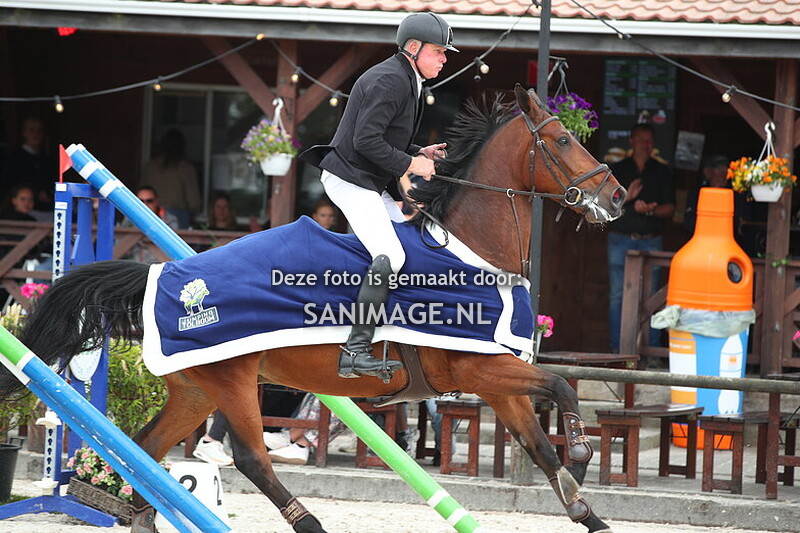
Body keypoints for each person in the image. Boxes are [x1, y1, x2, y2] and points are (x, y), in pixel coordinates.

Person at [299, 12, 456, 379]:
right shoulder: (390, 79)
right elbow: (366, 141)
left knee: (408, 242)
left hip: (367, 180)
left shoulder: (406, 78)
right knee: (392, 255)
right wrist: (412, 164)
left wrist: (419, 151)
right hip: (350, 179)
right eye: (438, 51)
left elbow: (385, 138)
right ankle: (354, 351)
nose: (444, 59)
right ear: (413, 47)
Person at [607, 123, 675, 354]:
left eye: (648, 141)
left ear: (653, 144)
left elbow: (670, 209)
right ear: (631, 141)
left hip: (650, 240)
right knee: (618, 295)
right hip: (620, 239)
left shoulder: (662, 171)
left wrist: (650, 211)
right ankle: (617, 350)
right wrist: (627, 198)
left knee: (651, 296)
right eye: (640, 140)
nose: (644, 145)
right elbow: (605, 206)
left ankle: (650, 351)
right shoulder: (617, 169)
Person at [140, 129, 201, 228]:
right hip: (178, 215)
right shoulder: (185, 168)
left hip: (151, 214)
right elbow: (194, 202)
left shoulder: (151, 166)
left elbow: (141, 192)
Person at [3, 116, 55, 213]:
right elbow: (10, 182)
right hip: (21, 211)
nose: (35, 134)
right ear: (24, 133)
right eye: (31, 130)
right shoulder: (14, 158)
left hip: (46, 210)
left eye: (39, 131)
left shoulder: (47, 159)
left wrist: (47, 193)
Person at [119, 186, 179, 263]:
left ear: (156, 202)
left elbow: (173, 247)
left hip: (160, 266)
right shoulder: (128, 220)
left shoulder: (170, 220)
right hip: (135, 266)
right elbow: (119, 248)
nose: (145, 204)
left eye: (149, 201)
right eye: (141, 201)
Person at [683, 154, 730, 235]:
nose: (723, 173)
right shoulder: (697, 194)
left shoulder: (733, 194)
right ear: (707, 172)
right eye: (718, 168)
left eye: (725, 168)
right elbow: (689, 223)